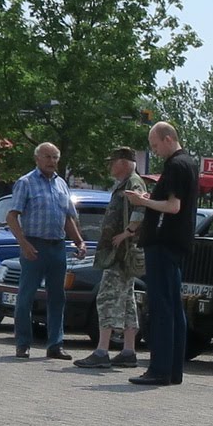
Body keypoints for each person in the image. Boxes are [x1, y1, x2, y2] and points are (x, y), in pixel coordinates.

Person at [123, 122, 199, 386]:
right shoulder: (189, 163)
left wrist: (142, 201)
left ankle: (160, 369)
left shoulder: (176, 165)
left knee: (162, 307)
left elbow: (174, 206)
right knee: (173, 307)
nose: (155, 151)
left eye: (155, 146)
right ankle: (173, 370)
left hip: (164, 243)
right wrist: (149, 198)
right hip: (175, 243)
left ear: (168, 139)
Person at [5, 142, 88, 360]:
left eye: (54, 157)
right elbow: (12, 216)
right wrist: (23, 243)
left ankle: (55, 345)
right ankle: (23, 344)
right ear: (37, 159)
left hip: (57, 247)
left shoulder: (61, 184)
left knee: (57, 297)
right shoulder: (26, 182)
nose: (51, 161)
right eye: (47, 157)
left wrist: (79, 242)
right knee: (26, 296)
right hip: (34, 245)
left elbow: (68, 217)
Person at [74, 147, 147, 369]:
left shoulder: (133, 183)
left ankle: (102, 351)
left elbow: (141, 209)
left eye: (113, 161)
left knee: (106, 297)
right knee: (126, 302)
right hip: (120, 252)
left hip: (121, 253)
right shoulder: (126, 183)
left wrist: (128, 232)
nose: (110, 166)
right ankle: (128, 351)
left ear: (124, 162)